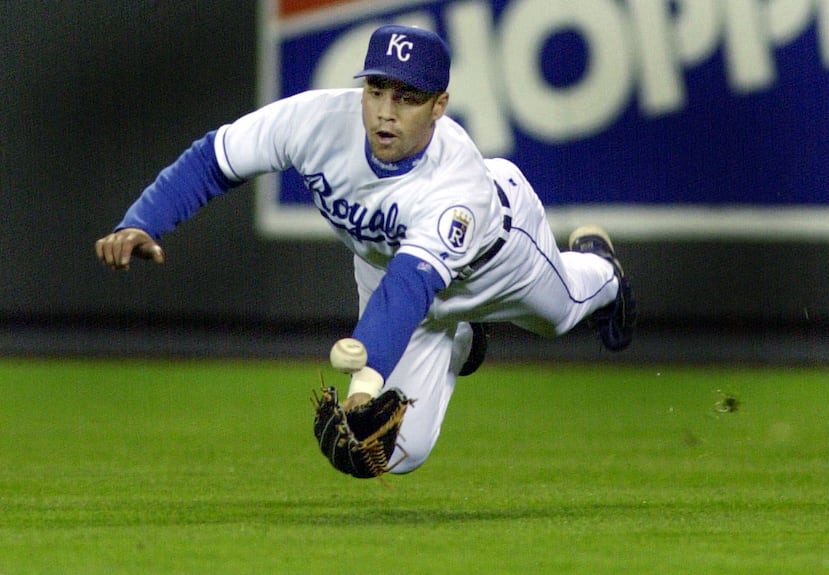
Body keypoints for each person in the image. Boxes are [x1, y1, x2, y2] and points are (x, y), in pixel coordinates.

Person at [95, 24, 636, 476]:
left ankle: (601, 270)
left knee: (561, 315)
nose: (385, 111)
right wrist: (144, 221)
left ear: (439, 105)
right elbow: (214, 158)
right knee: (392, 454)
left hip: (496, 262)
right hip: (389, 271)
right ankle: (463, 339)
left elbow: (411, 288)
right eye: (377, 90)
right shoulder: (315, 122)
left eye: (407, 97)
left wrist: (364, 384)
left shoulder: (457, 184)